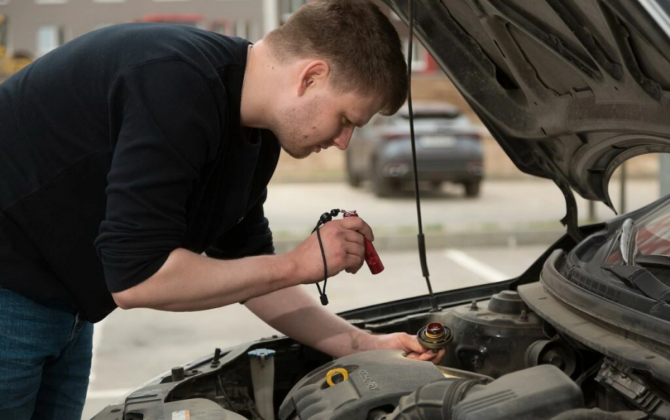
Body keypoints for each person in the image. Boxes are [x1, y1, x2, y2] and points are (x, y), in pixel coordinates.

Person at [0, 0, 444, 418]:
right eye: (346, 119)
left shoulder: (254, 132)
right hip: (11, 295)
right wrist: (296, 264)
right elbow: (136, 278)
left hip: (67, 309)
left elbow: (252, 274)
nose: (343, 141)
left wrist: (364, 344)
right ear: (311, 77)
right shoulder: (176, 85)